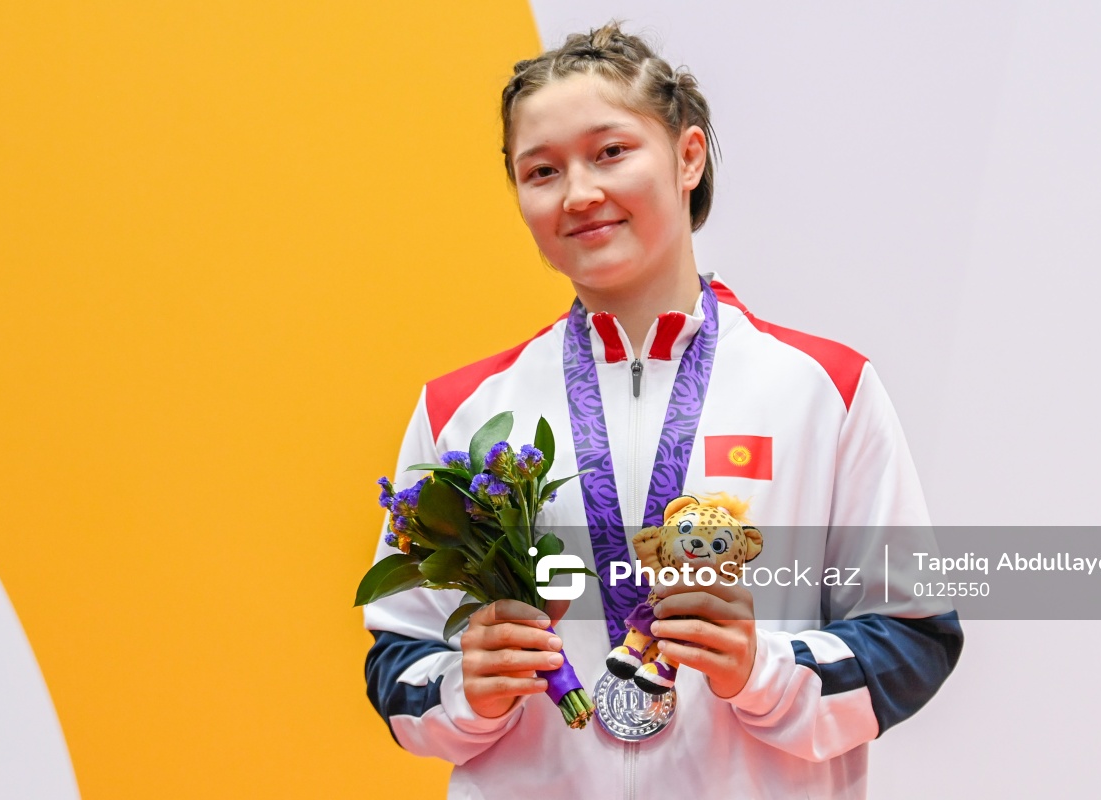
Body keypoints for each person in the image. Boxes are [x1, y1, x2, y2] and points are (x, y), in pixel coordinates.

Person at [363, 22, 962, 799]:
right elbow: (399, 655)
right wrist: (466, 688)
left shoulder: (825, 389)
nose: (579, 193)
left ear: (688, 157)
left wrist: (763, 670)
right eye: (541, 171)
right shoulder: (466, 410)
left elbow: (914, 638)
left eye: (610, 151)